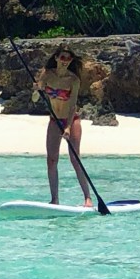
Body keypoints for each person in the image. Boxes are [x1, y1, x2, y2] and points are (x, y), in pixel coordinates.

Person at [33, 46, 92, 207]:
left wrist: (67, 128)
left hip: (71, 121)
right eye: (63, 57)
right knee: (51, 160)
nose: (65, 61)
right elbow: (34, 99)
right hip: (54, 120)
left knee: (75, 159)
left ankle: (88, 198)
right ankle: (55, 199)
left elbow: (72, 105)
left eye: (69, 58)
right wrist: (37, 90)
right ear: (57, 58)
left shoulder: (74, 80)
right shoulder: (47, 74)